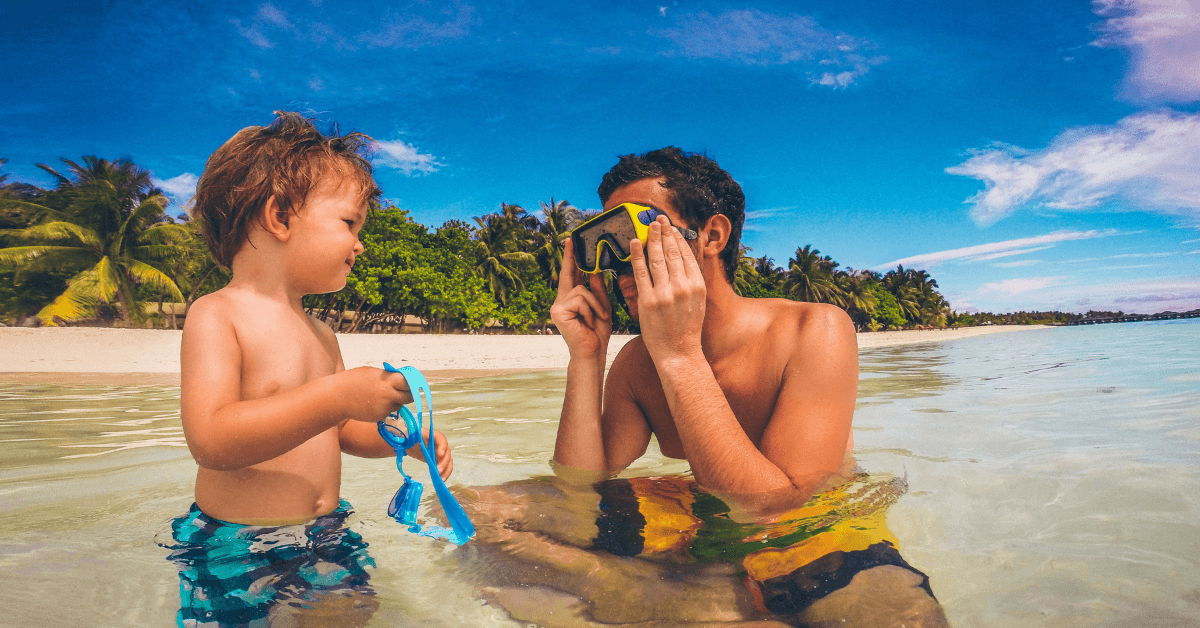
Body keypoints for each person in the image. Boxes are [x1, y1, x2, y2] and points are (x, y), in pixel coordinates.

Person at [539, 146, 947, 626]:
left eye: (638, 233)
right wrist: (585, 357)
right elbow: (579, 488)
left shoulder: (814, 329)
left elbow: (778, 506)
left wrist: (680, 354)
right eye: (604, 242)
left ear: (711, 234)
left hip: (816, 525)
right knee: (493, 514)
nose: (622, 261)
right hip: (701, 517)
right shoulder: (637, 362)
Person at [166, 111, 454, 626]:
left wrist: (399, 438)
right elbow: (210, 439)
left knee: (354, 615)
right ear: (280, 217)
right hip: (239, 538)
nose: (360, 244)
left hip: (327, 531)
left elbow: (342, 430)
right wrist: (339, 395)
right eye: (349, 223)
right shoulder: (219, 313)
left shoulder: (322, 332)